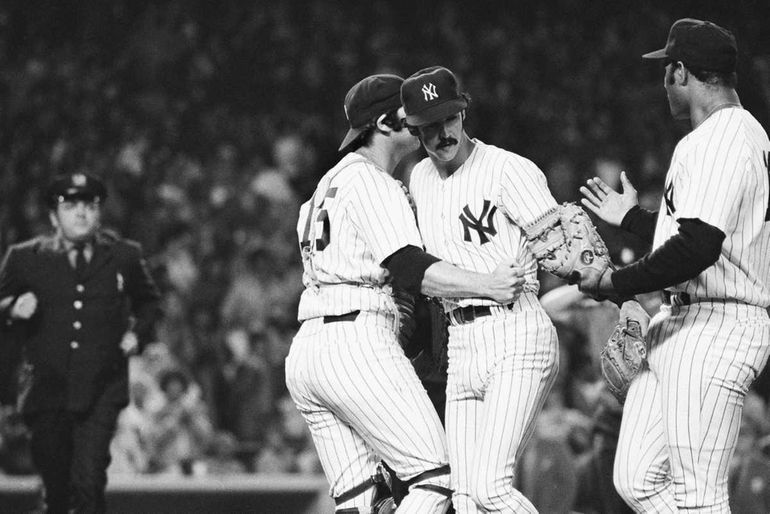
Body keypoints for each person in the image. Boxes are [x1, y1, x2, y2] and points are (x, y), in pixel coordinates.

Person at [285, 73, 526, 514]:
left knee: (361, 502)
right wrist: (486, 284)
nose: (417, 121)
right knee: (436, 479)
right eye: (405, 114)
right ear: (382, 123)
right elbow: (412, 270)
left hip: (308, 351)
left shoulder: (323, 187)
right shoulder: (372, 181)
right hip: (354, 340)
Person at [578, 18, 770, 512]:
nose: (663, 82)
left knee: (699, 497)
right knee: (637, 478)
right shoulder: (729, 137)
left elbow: (699, 247)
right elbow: (699, 234)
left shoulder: (721, 137)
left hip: (718, 323)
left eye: (666, 70)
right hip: (683, 320)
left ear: (681, 72)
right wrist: (635, 219)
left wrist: (614, 281)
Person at [401, 65, 560, 513]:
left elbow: (561, 244)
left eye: (448, 119)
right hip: (462, 342)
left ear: (464, 111)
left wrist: (621, 295)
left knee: (491, 488)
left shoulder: (509, 169)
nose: (441, 134)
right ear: (414, 130)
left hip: (516, 332)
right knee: (468, 501)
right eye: (428, 126)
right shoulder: (420, 179)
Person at [0, 172, 162, 513]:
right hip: (46, 389)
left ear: (99, 212)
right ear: (53, 215)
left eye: (89, 205)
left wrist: (138, 334)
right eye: (70, 205)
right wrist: (12, 307)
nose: (81, 213)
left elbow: (149, 302)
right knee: (57, 489)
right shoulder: (25, 257)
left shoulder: (124, 255)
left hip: (102, 387)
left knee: (89, 481)